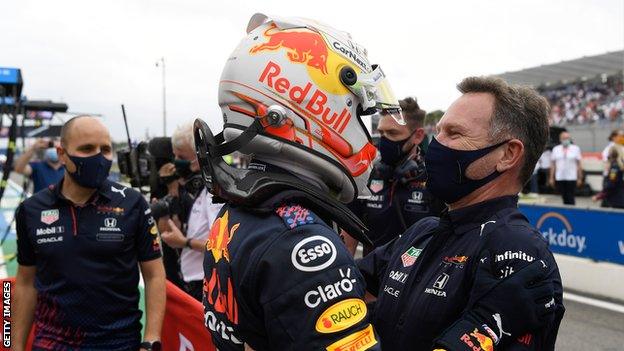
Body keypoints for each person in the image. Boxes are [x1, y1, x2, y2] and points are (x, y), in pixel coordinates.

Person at [358, 77, 564, 350]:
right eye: (439, 131)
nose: (436, 144)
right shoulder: (424, 231)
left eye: (454, 134)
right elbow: (339, 286)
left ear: (508, 154)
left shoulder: (517, 252)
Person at [13, 115, 166, 351]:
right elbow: (24, 283)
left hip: (119, 343)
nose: (99, 156)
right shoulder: (31, 210)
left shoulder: (133, 204)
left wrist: (151, 339)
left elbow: (155, 275)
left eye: (105, 149)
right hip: (52, 344)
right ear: (62, 154)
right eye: (87, 148)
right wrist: (13, 345)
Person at [344, 97, 444, 255]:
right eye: (381, 132)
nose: (384, 140)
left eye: (392, 133)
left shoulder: (436, 179)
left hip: (416, 276)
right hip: (372, 275)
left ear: (418, 136)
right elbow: (347, 245)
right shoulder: (366, 175)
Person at [158, 122, 223, 301]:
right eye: (175, 155)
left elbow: (221, 247)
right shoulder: (201, 188)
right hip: (192, 281)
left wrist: (184, 242)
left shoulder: (214, 193)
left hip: (204, 283)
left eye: (181, 156)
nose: (176, 161)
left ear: (198, 156)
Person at [549, 131, 582, 205]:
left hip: (571, 177)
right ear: (560, 139)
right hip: (560, 177)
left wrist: (580, 177)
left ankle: (572, 211)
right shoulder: (556, 149)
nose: (566, 140)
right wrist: (551, 178)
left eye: (567, 138)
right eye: (564, 138)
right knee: (564, 196)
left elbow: (579, 164)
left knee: (570, 196)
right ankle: (566, 210)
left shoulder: (575, 148)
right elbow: (553, 164)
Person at [593, 131, 624, 208]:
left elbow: (610, 185)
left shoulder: (614, 168)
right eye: (620, 136)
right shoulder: (610, 148)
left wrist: (598, 196)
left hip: (617, 199)